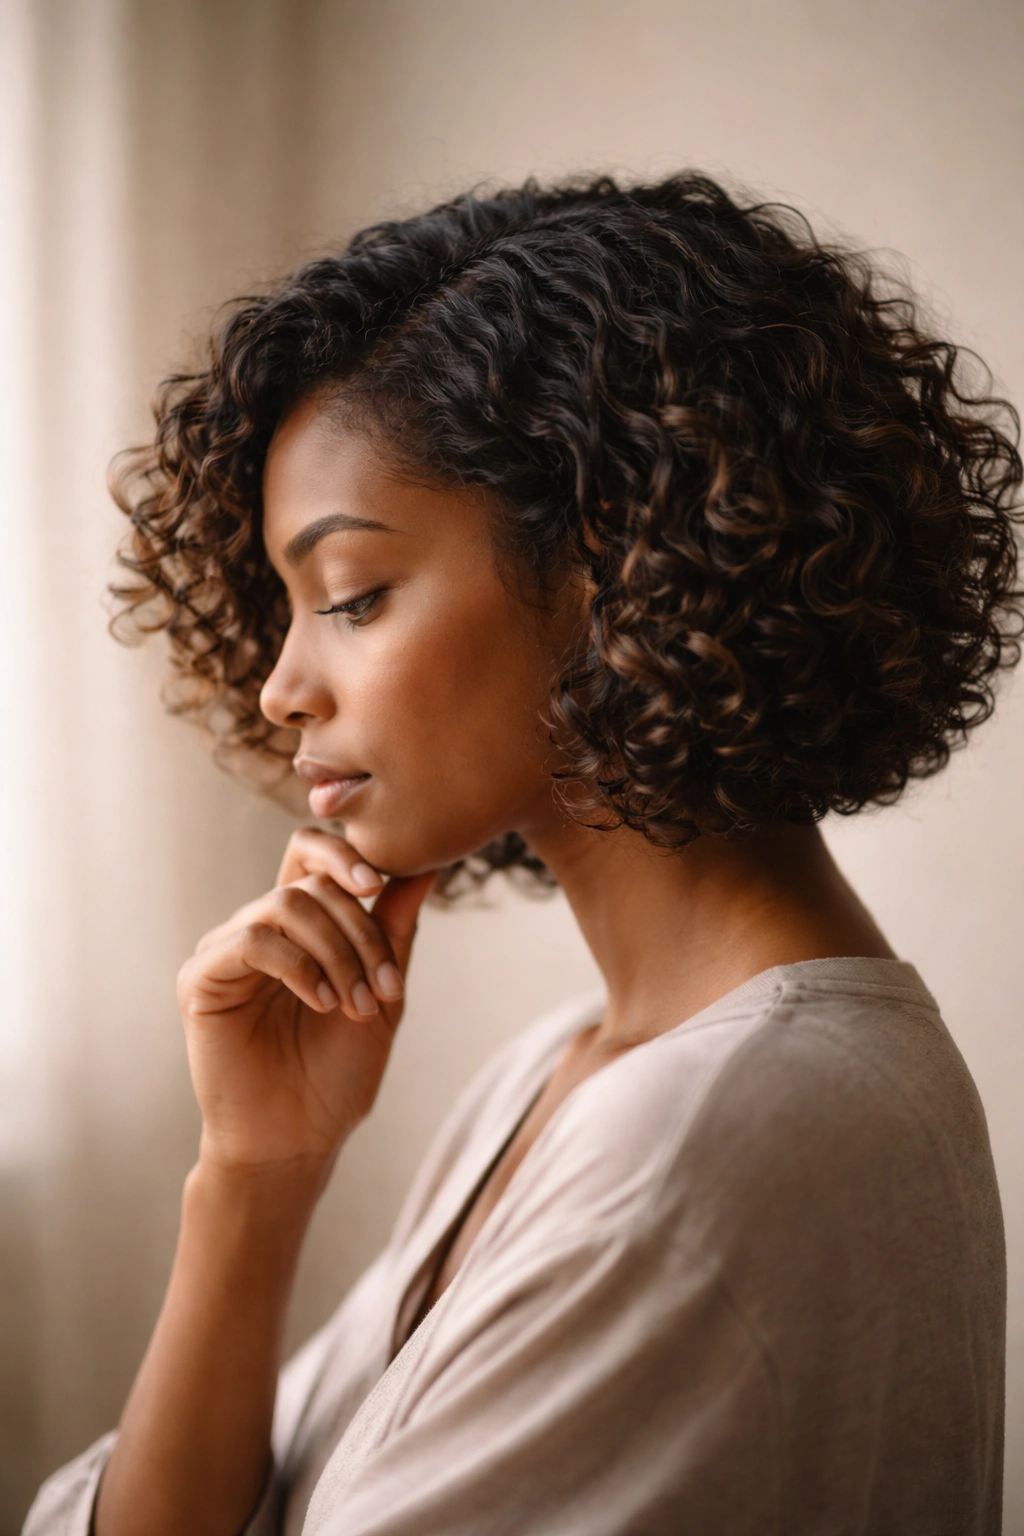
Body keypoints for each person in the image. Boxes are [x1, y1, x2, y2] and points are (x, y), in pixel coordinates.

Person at [24, 174, 1021, 1536]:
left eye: (353, 596)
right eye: (287, 608)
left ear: (615, 561)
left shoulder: (708, 1138)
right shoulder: (567, 1074)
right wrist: (254, 1178)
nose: (279, 688)